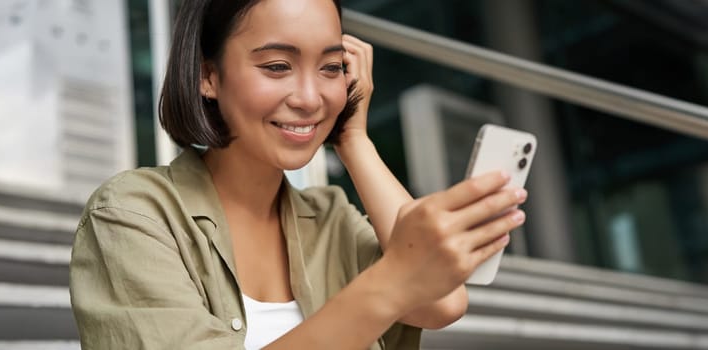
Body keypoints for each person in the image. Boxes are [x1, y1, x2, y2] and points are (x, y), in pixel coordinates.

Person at [68, 0, 528, 349]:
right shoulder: (134, 214)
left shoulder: (331, 218)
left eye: (330, 68)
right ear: (207, 75)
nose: (310, 97)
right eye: (277, 67)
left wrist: (353, 140)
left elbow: (442, 303)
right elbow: (409, 283)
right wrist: (394, 280)